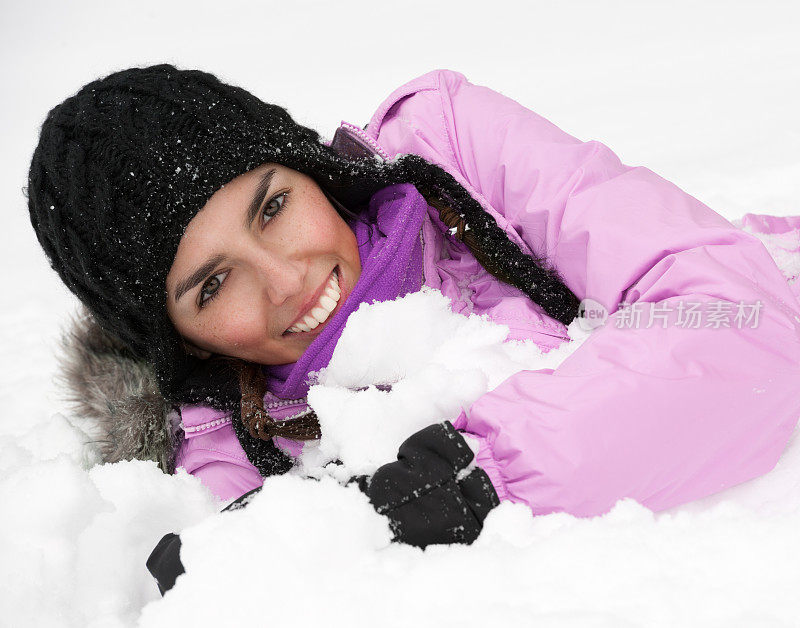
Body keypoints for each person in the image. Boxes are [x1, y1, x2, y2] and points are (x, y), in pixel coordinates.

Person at [27, 65, 800, 594]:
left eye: (271, 207)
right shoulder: (229, 468)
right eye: (216, 283)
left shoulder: (450, 150)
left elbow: (745, 329)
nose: (289, 278)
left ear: (306, 168)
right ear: (183, 338)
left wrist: (473, 478)